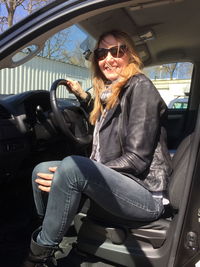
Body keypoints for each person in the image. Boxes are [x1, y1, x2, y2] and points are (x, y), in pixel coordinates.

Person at [23, 30, 172, 267]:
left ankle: (37, 257)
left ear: (130, 55)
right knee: (41, 169)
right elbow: (105, 116)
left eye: (117, 50)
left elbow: (137, 160)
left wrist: (83, 172)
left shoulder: (140, 86)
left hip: (144, 193)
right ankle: (51, 235)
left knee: (72, 166)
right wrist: (82, 95)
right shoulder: (113, 92)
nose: (108, 58)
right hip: (122, 183)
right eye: (102, 53)